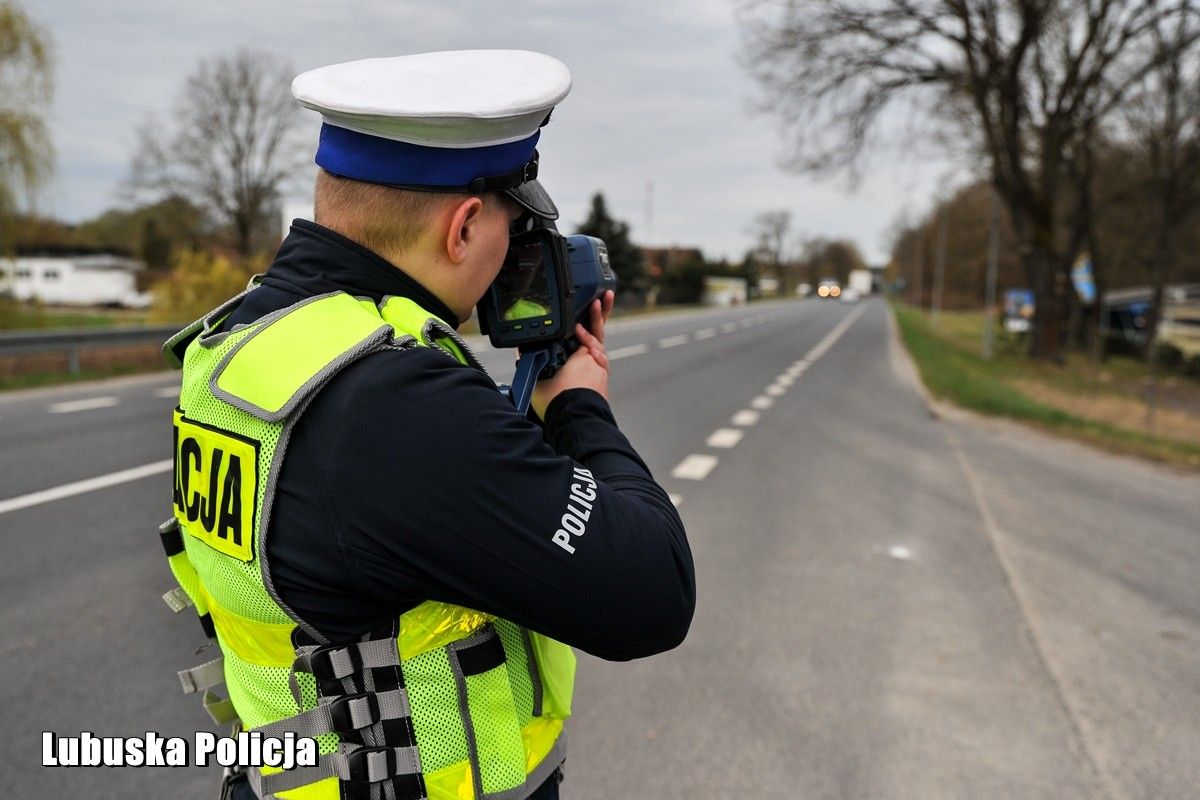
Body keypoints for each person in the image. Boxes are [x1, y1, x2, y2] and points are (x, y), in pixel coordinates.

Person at [159, 50, 695, 800]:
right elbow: (652, 593)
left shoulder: (237, 340)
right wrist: (578, 407)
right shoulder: (395, 402)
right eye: (514, 223)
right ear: (465, 225)